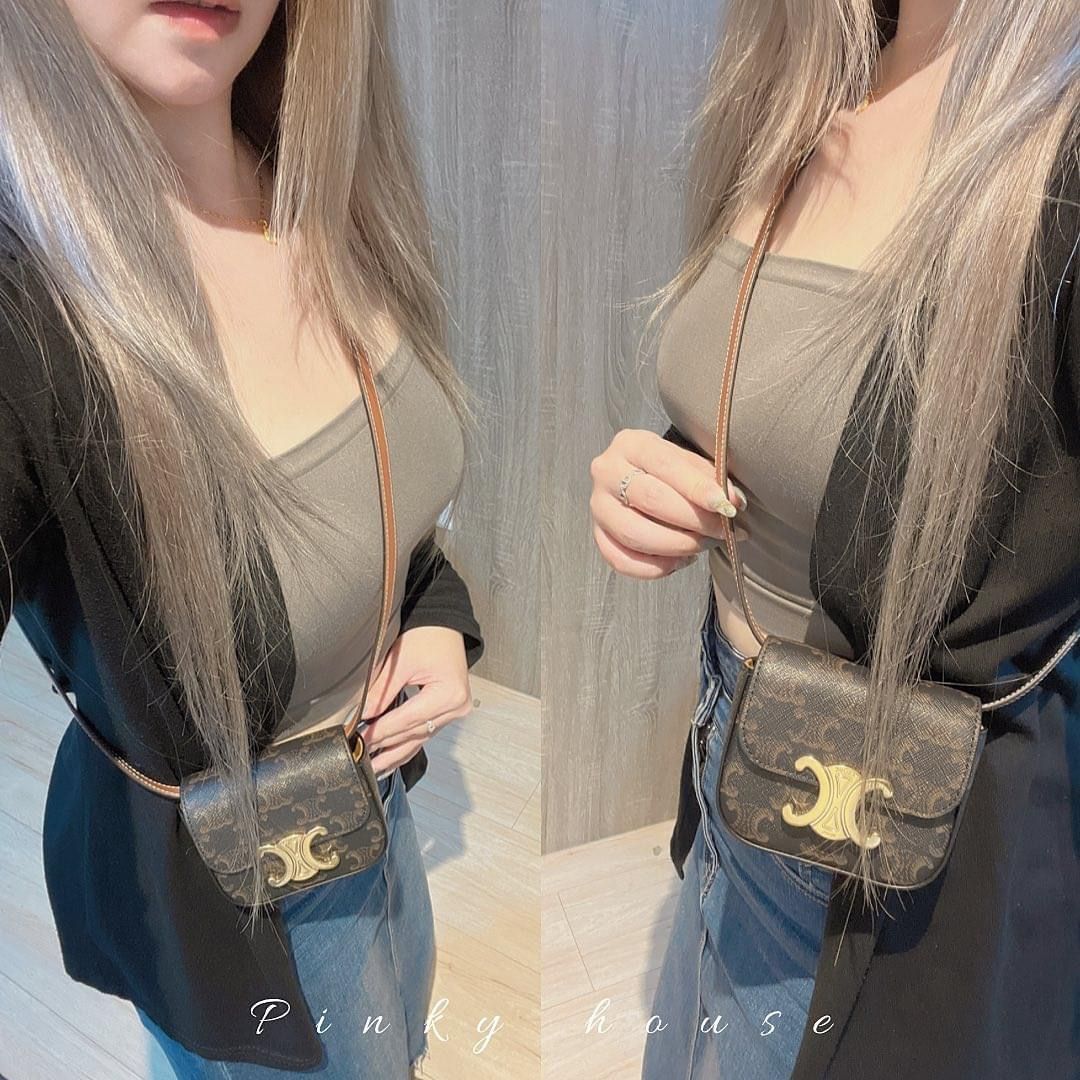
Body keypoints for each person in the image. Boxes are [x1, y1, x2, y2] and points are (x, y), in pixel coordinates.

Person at [589, 1, 1079, 1076]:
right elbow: (818, 418)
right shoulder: (807, 74)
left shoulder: (1058, 136)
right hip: (733, 751)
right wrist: (665, 471)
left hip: (901, 861)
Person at [0, 1, 484, 1075]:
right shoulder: (27, 306)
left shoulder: (328, 200)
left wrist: (434, 616)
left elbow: (382, 506)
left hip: (375, 815)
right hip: (242, 915)